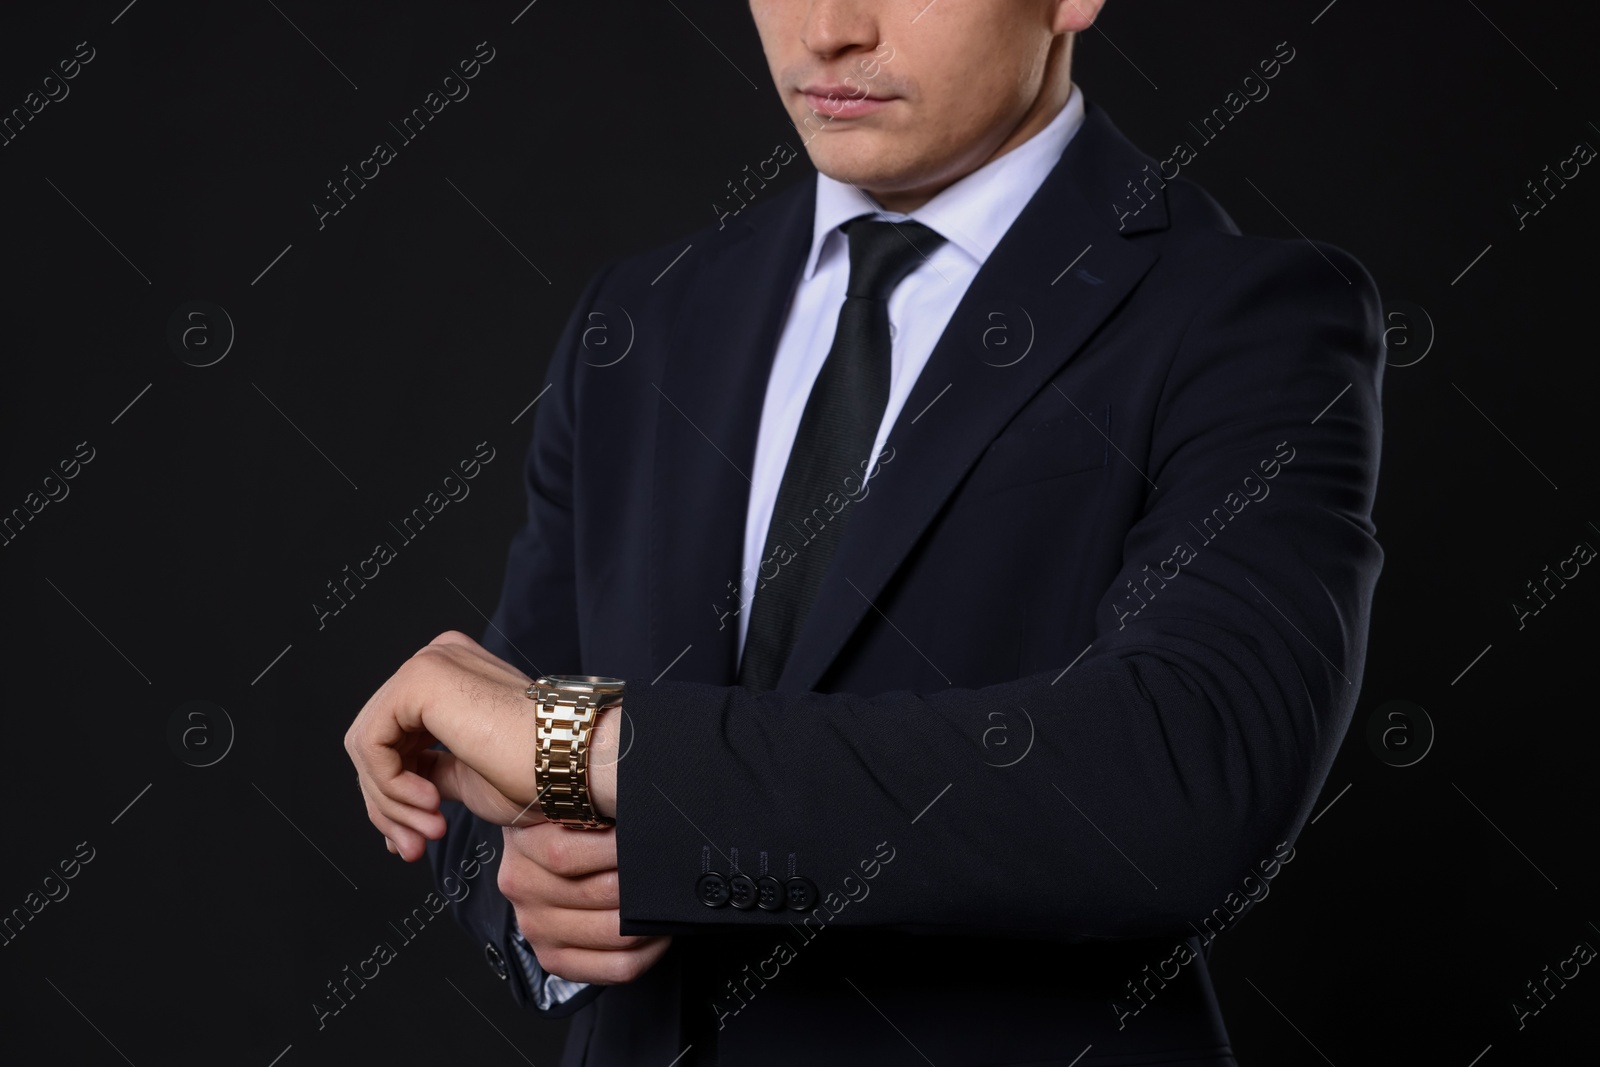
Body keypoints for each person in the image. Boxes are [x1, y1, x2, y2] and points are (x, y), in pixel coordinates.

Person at [343, 1, 1385, 1064]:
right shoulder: (641, 315)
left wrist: (596, 750)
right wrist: (526, 897)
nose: (829, 30)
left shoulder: (1251, 315)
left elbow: (1182, 779)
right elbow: (507, 735)